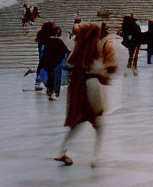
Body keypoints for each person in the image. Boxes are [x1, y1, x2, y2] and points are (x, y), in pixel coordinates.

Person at [55, 24, 117, 167]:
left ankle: (61, 151)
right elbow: (111, 66)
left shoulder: (80, 47)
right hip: (94, 85)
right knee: (99, 124)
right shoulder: (100, 46)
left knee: (78, 122)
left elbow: (69, 62)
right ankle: (96, 157)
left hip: (80, 87)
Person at [42, 26, 70, 101]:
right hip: (57, 63)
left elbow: (45, 53)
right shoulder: (59, 42)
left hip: (50, 63)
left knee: (50, 77)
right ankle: (55, 92)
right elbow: (65, 51)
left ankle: (50, 90)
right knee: (57, 78)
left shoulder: (48, 42)